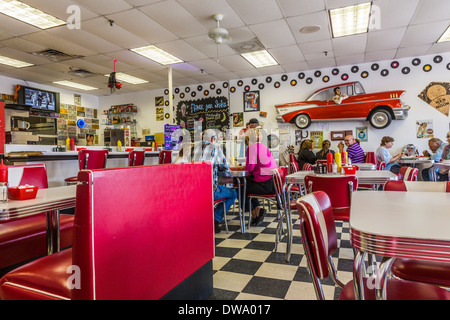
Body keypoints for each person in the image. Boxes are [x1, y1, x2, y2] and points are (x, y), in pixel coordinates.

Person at [192, 129, 237, 233]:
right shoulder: (216, 148)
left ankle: (204, 219)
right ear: (213, 139)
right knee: (233, 193)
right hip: (210, 191)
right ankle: (215, 220)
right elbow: (225, 167)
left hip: (194, 190)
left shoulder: (193, 148)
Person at [241, 128, 278, 226]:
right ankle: (257, 211)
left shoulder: (252, 147)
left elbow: (250, 167)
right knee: (247, 187)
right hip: (273, 184)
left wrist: (242, 167)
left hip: (264, 185)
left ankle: (255, 214)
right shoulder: (263, 146)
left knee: (241, 190)